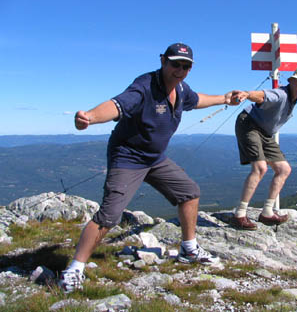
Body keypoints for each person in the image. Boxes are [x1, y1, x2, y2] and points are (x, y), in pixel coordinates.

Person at [59, 43, 242, 293]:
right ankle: (74, 269)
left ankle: (188, 249)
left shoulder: (181, 89)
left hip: (155, 158)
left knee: (189, 192)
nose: (180, 69)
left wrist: (224, 99)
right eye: (175, 63)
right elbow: (117, 105)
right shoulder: (144, 87)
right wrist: (89, 117)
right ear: (162, 61)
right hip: (128, 157)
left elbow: (197, 100)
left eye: (185, 66)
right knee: (110, 215)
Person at [230, 66, 297, 230]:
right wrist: (247, 94)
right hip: (249, 124)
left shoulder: (292, 100)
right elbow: (262, 96)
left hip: (265, 132)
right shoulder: (281, 94)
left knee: (284, 169)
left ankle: (267, 212)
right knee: (260, 168)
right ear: (292, 82)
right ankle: (239, 215)